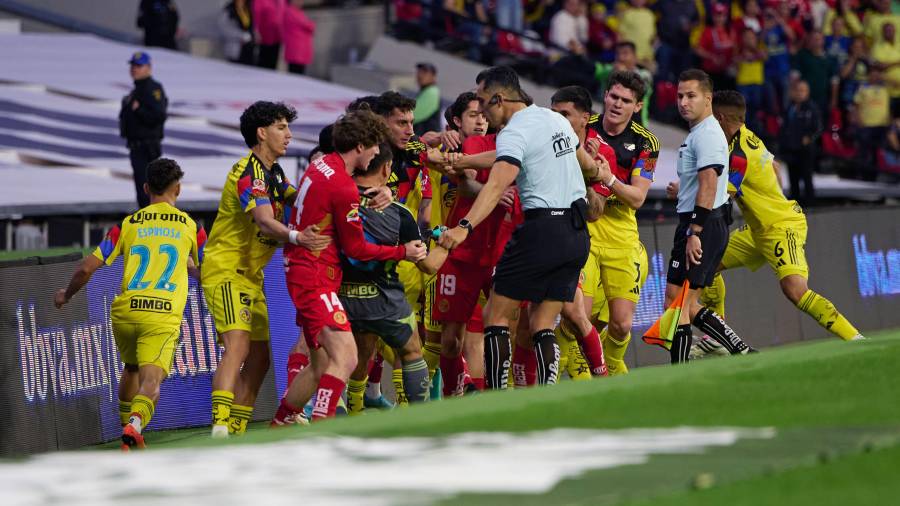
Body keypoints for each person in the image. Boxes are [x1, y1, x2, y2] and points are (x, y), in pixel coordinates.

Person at [438, 66, 609, 387]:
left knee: (495, 316)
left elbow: (496, 185)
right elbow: (586, 165)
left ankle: (499, 396)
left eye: (482, 101)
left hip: (541, 230)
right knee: (542, 323)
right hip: (575, 232)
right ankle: (546, 396)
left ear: (499, 99)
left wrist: (463, 227)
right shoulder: (555, 119)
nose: (482, 110)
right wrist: (599, 174)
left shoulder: (516, 131)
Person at [273, 110, 427, 422]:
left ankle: (279, 422)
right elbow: (356, 247)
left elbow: (335, 204)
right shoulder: (342, 186)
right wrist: (402, 251)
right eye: (373, 146)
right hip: (316, 275)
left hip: (300, 268)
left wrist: (381, 193)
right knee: (346, 357)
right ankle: (322, 425)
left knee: (319, 366)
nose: (375, 153)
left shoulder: (321, 165)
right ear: (359, 146)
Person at [690, 91, 864, 357]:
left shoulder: (738, 152)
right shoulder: (749, 138)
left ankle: (856, 339)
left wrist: (686, 192)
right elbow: (775, 167)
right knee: (708, 262)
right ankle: (717, 336)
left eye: (711, 117)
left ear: (721, 118)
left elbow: (724, 194)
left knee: (795, 290)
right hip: (758, 229)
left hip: (781, 227)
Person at [54, 158, 205, 450]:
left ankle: (128, 433)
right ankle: (134, 426)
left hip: (125, 312)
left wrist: (66, 294)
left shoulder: (126, 225)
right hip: (161, 314)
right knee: (152, 381)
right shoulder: (191, 228)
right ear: (179, 189)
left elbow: (86, 268)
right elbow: (207, 270)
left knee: (131, 367)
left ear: (146, 188)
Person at [202, 101, 329, 438]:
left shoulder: (273, 173)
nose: (289, 135)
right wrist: (296, 236)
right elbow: (263, 219)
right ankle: (218, 428)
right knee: (239, 348)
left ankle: (236, 429)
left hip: (251, 276)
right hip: (226, 270)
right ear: (262, 133)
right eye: (281, 127)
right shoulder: (249, 173)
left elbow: (298, 197)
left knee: (260, 360)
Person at [342, 143, 450, 413]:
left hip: (342, 297)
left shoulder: (338, 198)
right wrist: (448, 243)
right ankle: (417, 414)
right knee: (413, 350)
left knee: (360, 350)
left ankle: (351, 411)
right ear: (388, 169)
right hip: (385, 300)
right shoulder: (399, 213)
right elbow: (428, 266)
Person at [663, 69, 755, 364]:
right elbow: (701, 183)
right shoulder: (699, 133)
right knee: (678, 302)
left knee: (679, 305)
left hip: (703, 224)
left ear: (708, 99)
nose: (683, 102)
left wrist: (695, 232)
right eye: (680, 96)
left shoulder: (708, 134)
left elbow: (710, 183)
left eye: (691, 96)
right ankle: (739, 350)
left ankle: (680, 370)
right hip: (697, 221)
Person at [584, 70, 658, 375]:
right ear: (605, 96)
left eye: (626, 100)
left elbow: (638, 198)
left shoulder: (647, 144)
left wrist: (607, 177)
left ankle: (612, 364)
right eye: (613, 96)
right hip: (584, 229)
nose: (617, 104)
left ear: (637, 107)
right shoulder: (583, 128)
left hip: (621, 232)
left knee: (621, 323)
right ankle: (579, 377)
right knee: (580, 317)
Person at [119, 51, 168, 210]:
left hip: (148, 147)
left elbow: (158, 116)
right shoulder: (136, 91)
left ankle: (151, 220)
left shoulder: (153, 89)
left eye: (139, 66)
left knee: (149, 189)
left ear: (148, 68)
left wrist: (139, 109)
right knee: (142, 189)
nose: (134, 69)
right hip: (136, 146)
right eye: (133, 65)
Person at [779, 80, 822, 204]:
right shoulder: (789, 108)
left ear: (807, 93)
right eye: (797, 90)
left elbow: (818, 127)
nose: (799, 93)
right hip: (791, 148)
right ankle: (795, 203)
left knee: (806, 176)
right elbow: (784, 128)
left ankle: (810, 202)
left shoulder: (811, 108)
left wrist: (808, 137)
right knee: (793, 178)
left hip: (805, 149)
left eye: (802, 91)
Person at [283, 0, 316, 75]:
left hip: (299, 51)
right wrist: (311, 24)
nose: (301, 2)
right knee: (296, 74)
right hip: (296, 51)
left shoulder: (297, 11)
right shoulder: (291, 12)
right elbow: (309, 25)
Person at [219, 0, 255, 65]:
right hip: (235, 49)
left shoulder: (247, 9)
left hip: (248, 48)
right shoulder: (229, 10)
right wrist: (241, 35)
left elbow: (250, 25)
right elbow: (225, 29)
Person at [413, 63, 442, 137]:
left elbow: (413, 115)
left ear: (433, 77)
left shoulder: (432, 92)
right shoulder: (426, 91)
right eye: (419, 72)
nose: (420, 75)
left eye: (425, 72)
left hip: (425, 143)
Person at [254, 0, 283, 70]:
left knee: (273, 64)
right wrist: (256, 30)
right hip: (264, 37)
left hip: (277, 37)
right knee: (263, 64)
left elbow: (283, 14)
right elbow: (256, 14)